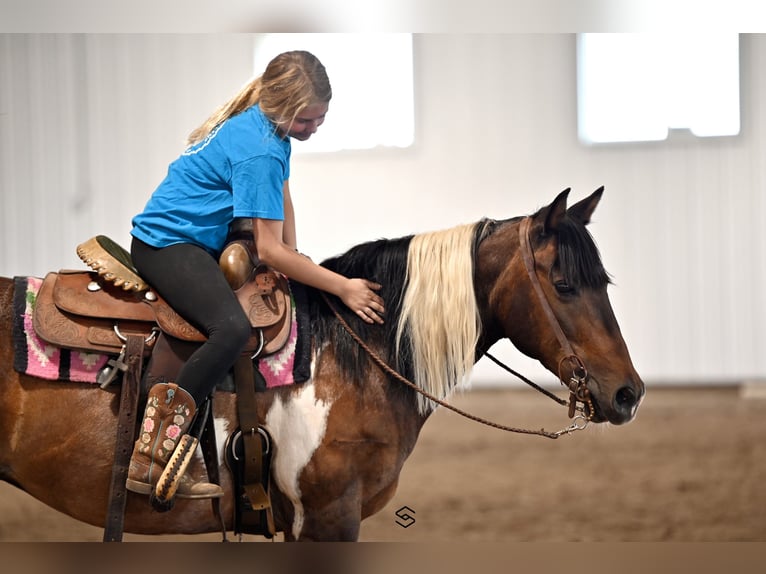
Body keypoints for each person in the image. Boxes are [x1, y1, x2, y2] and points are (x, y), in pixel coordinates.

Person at [125, 50, 385, 499]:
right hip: (166, 244)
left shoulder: (271, 131)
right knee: (229, 330)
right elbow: (267, 247)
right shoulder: (261, 150)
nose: (314, 129)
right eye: (307, 121)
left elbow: (282, 201)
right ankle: (153, 453)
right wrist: (340, 285)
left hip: (196, 239)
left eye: (320, 119)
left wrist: (295, 256)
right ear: (284, 109)